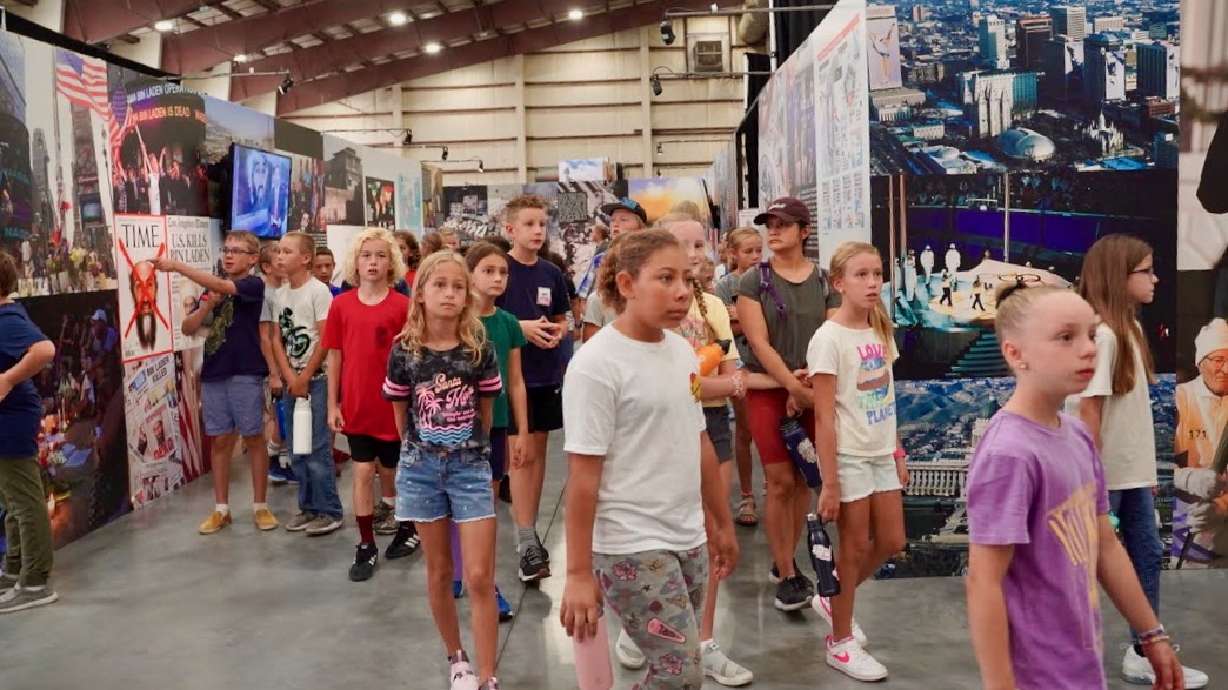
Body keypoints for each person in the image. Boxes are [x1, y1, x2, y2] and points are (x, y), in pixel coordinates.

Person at [966, 283, 1186, 690]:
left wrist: (1151, 634)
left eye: (1090, 334)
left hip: (1081, 665)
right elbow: (984, 581)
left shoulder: (1077, 435)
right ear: (1015, 353)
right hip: (1035, 675)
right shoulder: (1009, 453)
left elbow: (1105, 544)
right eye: (1065, 337)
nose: (1088, 349)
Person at [559, 229, 739, 690]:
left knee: (671, 671)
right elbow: (582, 478)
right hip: (630, 544)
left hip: (688, 535)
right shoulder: (596, 365)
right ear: (626, 284)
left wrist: (721, 523)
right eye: (665, 278)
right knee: (683, 674)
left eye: (686, 279)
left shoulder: (682, 354)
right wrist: (577, 573)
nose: (682, 291)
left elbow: (699, 442)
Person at [1072, 234, 1209, 688]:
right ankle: (1065, 656)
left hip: (1127, 476)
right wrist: (1092, 479)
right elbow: (1089, 412)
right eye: (1145, 270)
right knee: (1086, 565)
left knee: (1146, 555)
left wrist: (1143, 474)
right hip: (1104, 477)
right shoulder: (1105, 335)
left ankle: (1142, 651)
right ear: (1118, 275)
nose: (1156, 279)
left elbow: (1124, 416)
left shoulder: (1125, 328)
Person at [382, 251, 504, 690]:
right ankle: (458, 658)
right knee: (438, 570)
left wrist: (471, 449)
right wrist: (418, 451)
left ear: (467, 295)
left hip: (470, 469)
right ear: (421, 294)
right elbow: (400, 413)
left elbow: (487, 410)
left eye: (457, 286)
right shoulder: (404, 350)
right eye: (439, 285)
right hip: (420, 468)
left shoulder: (478, 349)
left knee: (479, 575)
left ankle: (488, 674)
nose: (449, 294)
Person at [659, 218, 753, 686]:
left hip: (712, 427)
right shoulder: (650, 309)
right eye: (683, 244)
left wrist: (708, 384)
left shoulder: (714, 305)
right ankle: (656, 628)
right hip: (659, 432)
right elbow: (667, 384)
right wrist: (708, 383)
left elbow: (735, 378)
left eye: (699, 244)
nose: (694, 253)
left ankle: (705, 639)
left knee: (712, 530)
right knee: (666, 534)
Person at [807, 242, 906, 681]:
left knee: (892, 540)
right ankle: (840, 641)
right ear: (839, 282)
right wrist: (829, 482)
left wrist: (897, 451)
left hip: (880, 452)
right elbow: (824, 417)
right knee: (853, 548)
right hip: (849, 456)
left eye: (877, 274)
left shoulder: (880, 329)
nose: (872, 283)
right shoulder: (828, 339)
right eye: (861, 275)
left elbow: (886, 396)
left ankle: (833, 598)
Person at [736, 196, 839, 611]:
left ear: (804, 231)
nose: (773, 231)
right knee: (779, 480)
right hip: (770, 391)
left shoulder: (825, 281)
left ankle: (786, 558)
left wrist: (810, 380)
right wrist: (793, 388)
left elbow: (832, 335)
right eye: (770, 224)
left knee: (803, 480)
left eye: (783, 224)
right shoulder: (753, 281)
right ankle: (787, 571)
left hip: (813, 387)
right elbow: (758, 343)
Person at [153, 231, 280, 534]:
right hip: (214, 372)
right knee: (220, 440)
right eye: (226, 250)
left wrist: (177, 266)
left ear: (253, 258)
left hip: (245, 371)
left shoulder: (253, 285)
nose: (229, 255)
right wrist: (207, 306)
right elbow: (188, 327)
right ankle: (221, 508)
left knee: (253, 436)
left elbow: (225, 287)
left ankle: (260, 505)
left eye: (237, 251)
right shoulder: (213, 289)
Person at [323, 228, 415, 581]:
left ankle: (406, 526)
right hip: (357, 404)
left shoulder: (403, 306)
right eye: (366, 255)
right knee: (362, 472)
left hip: (393, 407)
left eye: (380, 255)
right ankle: (365, 543)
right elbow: (335, 355)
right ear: (356, 262)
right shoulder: (341, 305)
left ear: (391, 263)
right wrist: (333, 404)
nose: (373, 262)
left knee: (393, 471)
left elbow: (413, 357)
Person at [494, 194, 570, 583]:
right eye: (529, 224)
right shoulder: (498, 269)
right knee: (518, 457)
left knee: (536, 456)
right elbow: (480, 317)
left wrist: (558, 331)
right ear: (510, 229)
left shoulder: (551, 273)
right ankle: (525, 538)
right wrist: (519, 328)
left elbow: (561, 317)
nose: (538, 230)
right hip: (506, 380)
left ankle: (530, 531)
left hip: (543, 376)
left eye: (542, 224)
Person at [466, 241, 529, 620]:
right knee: (455, 507)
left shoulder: (507, 323)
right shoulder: (457, 321)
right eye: (488, 271)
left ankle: (487, 582)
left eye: (503, 272)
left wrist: (522, 430)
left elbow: (516, 381)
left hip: (496, 426)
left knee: (485, 509)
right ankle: (461, 569)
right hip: (455, 426)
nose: (497, 278)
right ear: (470, 274)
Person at [271, 232, 343, 537]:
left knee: (317, 447)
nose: (279, 257)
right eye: (278, 251)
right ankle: (308, 506)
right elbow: (277, 339)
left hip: (317, 381)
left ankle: (329, 510)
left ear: (305, 258)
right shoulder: (279, 295)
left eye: (287, 251)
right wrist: (289, 376)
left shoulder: (319, 292)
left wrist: (304, 377)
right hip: (294, 382)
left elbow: (326, 340)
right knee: (297, 447)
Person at [0, 250, 59, 613]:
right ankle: (15, 570)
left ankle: (35, 580)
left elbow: (45, 349)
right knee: (12, 500)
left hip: (11, 420)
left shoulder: (6, 319)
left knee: (23, 500)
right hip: (9, 418)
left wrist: (7, 379)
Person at [715, 228, 764, 527]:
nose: (756, 256)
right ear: (734, 253)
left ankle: (772, 482)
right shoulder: (725, 286)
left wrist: (742, 318)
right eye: (749, 251)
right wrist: (751, 321)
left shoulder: (768, 280)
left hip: (767, 364)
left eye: (759, 250)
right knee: (745, 431)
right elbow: (725, 330)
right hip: (741, 364)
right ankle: (747, 494)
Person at [1173, 318, 1228, 567]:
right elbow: (1155, 466)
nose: (1226, 369)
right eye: (1218, 360)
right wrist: (1188, 478)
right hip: (1185, 533)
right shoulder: (1180, 398)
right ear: (1200, 362)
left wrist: (1222, 506)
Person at [581, 198, 649, 340]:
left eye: (624, 220)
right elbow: (585, 298)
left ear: (640, 227)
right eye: (612, 220)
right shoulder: (600, 259)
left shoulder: (653, 257)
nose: (616, 224)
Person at [258, 244, 294, 485]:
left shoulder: (285, 291)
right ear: (267, 267)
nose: (284, 261)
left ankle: (283, 463)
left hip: (288, 363)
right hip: (274, 367)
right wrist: (274, 372)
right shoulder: (266, 296)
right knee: (278, 417)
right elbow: (266, 337)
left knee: (286, 417)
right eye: (278, 260)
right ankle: (271, 461)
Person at [394, 230, 419, 296]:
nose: (397, 251)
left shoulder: (416, 277)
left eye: (402, 248)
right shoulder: (383, 276)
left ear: (411, 252)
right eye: (394, 247)